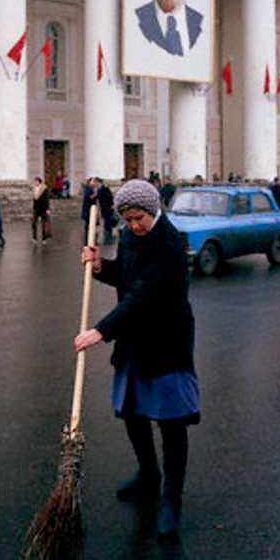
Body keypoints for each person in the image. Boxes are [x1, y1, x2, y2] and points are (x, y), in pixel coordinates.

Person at [75, 179, 200, 540]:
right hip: (134, 340)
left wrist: (101, 330)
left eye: (139, 218)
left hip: (166, 344)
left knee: (171, 424)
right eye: (128, 220)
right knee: (131, 412)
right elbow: (128, 279)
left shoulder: (170, 245)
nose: (134, 226)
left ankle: (171, 501)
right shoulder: (131, 237)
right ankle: (148, 474)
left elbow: (145, 295)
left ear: (153, 209)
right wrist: (101, 267)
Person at [95, 177, 115, 245]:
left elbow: (110, 196)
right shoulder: (99, 189)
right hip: (104, 209)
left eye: (95, 182)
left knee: (107, 224)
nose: (95, 184)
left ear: (98, 182)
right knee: (106, 224)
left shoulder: (104, 188)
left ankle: (108, 240)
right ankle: (107, 239)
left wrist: (112, 205)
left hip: (107, 209)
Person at [32, 176, 51, 244]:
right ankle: (34, 237)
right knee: (33, 223)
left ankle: (44, 238)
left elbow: (46, 200)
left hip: (43, 209)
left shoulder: (44, 189)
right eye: (35, 181)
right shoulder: (34, 189)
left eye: (36, 181)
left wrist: (48, 209)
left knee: (44, 224)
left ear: (39, 182)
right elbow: (34, 200)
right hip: (36, 209)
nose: (35, 183)